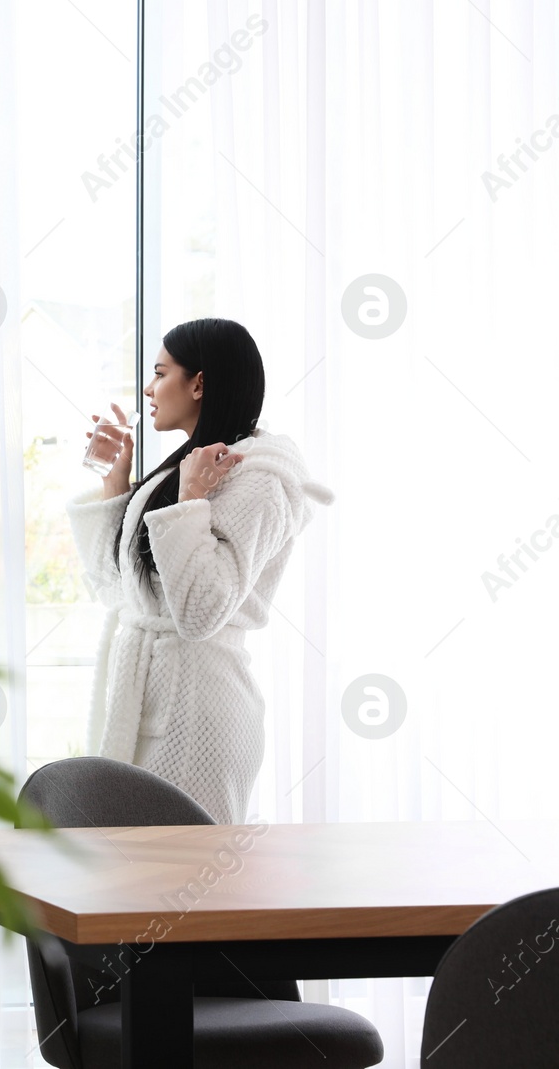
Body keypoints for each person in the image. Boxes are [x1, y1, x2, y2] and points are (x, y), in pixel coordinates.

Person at [64, 318, 334, 822]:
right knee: (129, 876)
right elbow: (118, 592)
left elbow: (201, 612)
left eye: (160, 372)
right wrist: (115, 481)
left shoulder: (259, 479)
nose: (148, 387)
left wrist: (191, 501)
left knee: (181, 883)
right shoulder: (184, 467)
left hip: (199, 713)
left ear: (199, 383)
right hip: (148, 693)